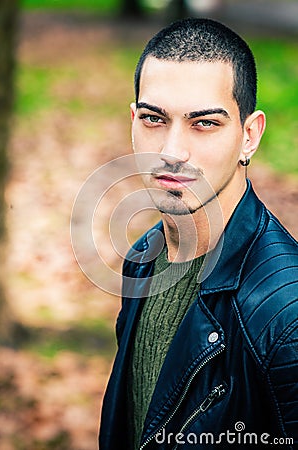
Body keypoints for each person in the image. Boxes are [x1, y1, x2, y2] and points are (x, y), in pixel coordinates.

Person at [99, 18, 298, 449]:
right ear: (132, 121)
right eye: (154, 119)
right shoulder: (144, 256)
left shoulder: (286, 313)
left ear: (249, 136)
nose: (172, 151)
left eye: (203, 123)